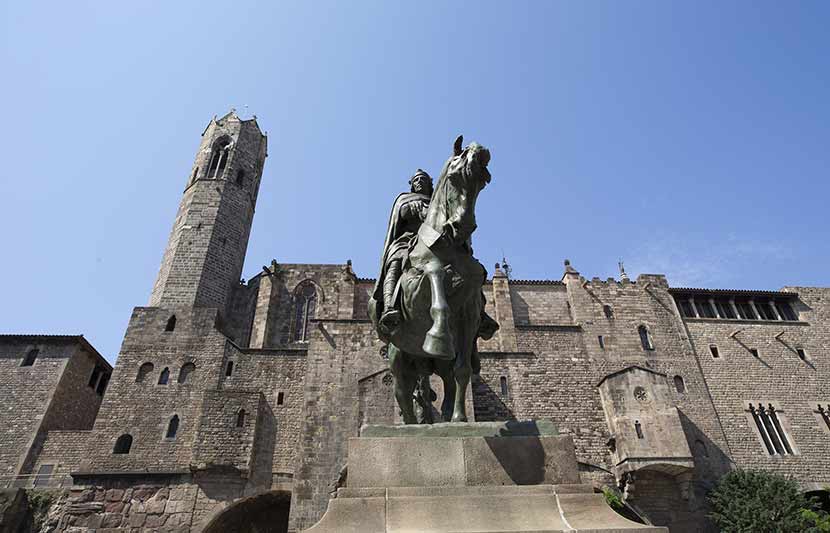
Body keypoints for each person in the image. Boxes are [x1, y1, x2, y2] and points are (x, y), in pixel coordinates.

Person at [370, 169, 433, 337]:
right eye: (416, 180)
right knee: (396, 261)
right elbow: (400, 214)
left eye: (423, 179)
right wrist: (408, 209)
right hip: (405, 242)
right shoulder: (404, 199)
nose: (419, 182)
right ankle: (389, 307)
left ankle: (479, 313)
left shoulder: (439, 202)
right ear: (411, 185)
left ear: (430, 183)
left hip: (433, 243)